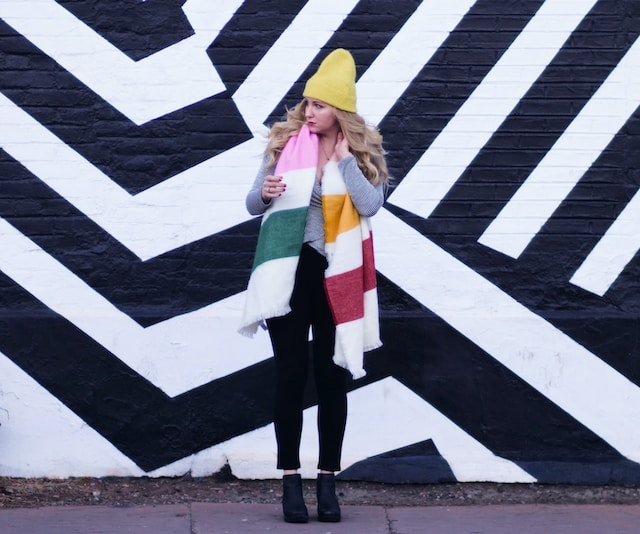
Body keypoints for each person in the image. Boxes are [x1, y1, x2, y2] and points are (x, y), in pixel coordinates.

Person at [239, 48, 389, 523]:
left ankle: (327, 483)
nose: (309, 111)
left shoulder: (361, 153)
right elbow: (250, 202)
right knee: (289, 377)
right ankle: (289, 483)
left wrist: (345, 162)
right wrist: (264, 193)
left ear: (338, 110)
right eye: (307, 103)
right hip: (291, 273)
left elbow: (370, 206)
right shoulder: (286, 146)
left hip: (336, 274)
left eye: (319, 105)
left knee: (331, 379)